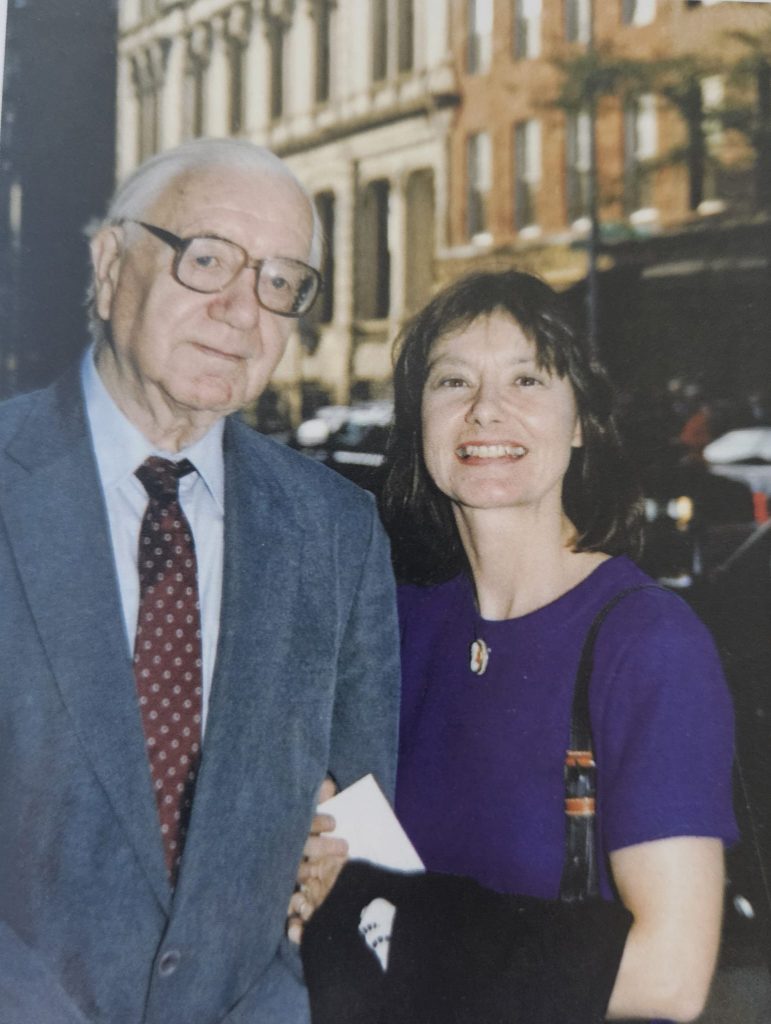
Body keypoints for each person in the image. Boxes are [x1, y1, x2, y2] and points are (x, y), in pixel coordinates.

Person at [0, 138, 400, 1024]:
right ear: (109, 265)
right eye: (207, 258)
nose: (239, 309)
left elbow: (359, 853)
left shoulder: (336, 531)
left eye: (280, 280)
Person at [295, 269, 737, 1023]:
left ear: (579, 423)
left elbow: (669, 977)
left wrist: (390, 926)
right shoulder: (390, 629)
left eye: (527, 379)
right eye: (451, 382)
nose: (484, 410)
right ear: (418, 420)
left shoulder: (646, 642)